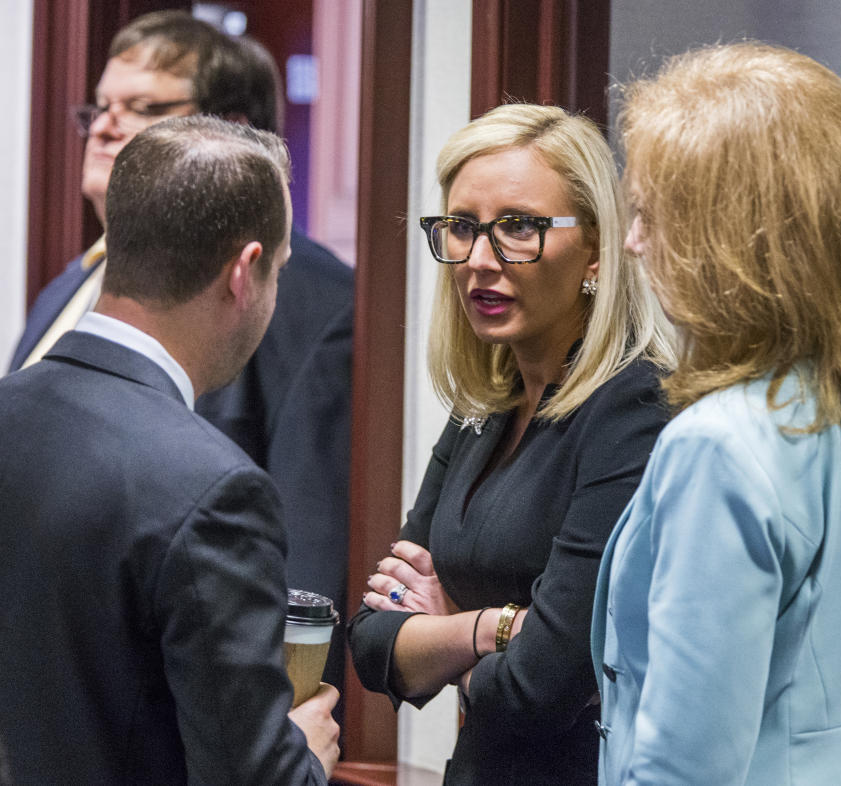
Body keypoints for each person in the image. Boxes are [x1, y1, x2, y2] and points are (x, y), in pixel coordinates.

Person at [591, 42, 841, 785]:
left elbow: (683, 769)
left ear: (731, 236)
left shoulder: (720, 447)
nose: (631, 242)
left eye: (649, 214)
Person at [8, 10, 354, 693]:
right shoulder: (67, 286)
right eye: (99, 108)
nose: (105, 126)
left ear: (225, 132)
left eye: (143, 107)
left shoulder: (304, 295)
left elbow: (305, 563)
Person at [348, 103, 675, 784]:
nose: (480, 260)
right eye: (462, 228)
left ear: (594, 248)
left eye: (519, 228)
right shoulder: (486, 409)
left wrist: (442, 630)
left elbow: (545, 682)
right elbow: (372, 642)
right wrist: (493, 629)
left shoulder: (634, 407)